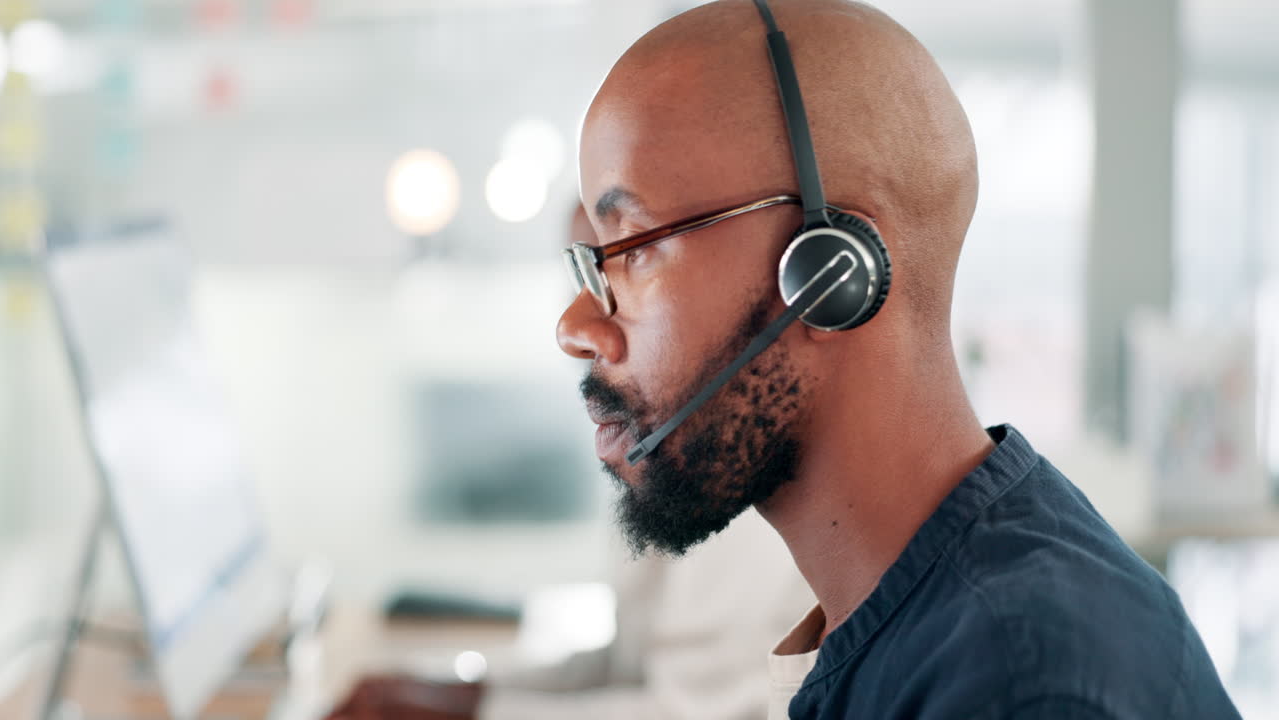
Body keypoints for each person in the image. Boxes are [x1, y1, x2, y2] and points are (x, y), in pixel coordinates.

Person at [554, 1, 1240, 718]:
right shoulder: (906, 622)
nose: (576, 327)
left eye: (634, 248)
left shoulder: (1022, 684)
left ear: (829, 274)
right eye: (590, 265)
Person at [326, 203, 814, 720]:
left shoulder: (758, 490)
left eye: (629, 263)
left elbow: (695, 711)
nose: (574, 327)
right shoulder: (672, 463)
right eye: (579, 270)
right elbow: (635, 664)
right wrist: (466, 697)